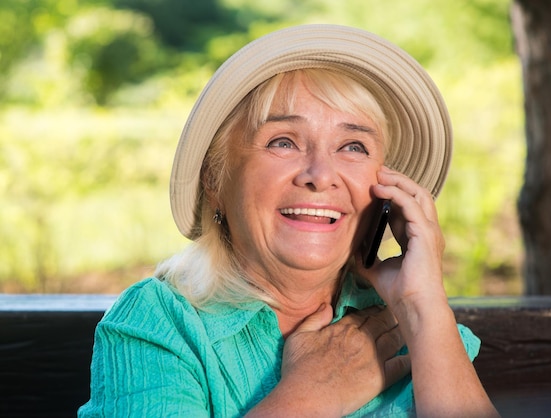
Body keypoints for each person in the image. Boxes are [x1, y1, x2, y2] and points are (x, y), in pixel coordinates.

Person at [79, 24, 500, 417]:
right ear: (215, 181)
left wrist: (421, 307)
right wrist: (313, 395)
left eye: (353, 146)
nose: (320, 176)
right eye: (283, 142)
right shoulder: (161, 322)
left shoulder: (419, 328)